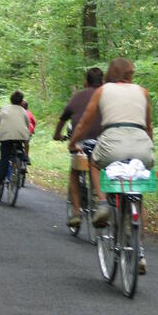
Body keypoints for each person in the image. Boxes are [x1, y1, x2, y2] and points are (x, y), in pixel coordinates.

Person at [68, 58, 154, 274]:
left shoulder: (103, 91)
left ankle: (104, 203)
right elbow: (149, 125)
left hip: (112, 142)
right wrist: (149, 147)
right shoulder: (142, 92)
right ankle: (140, 251)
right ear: (130, 74)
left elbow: (86, 121)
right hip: (141, 144)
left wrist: (73, 142)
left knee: (94, 163)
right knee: (139, 192)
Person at [53, 67, 104, 228]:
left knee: (74, 174)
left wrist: (57, 135)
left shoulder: (78, 97)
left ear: (86, 81)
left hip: (82, 144)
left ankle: (76, 212)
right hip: (106, 144)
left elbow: (63, 119)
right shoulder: (108, 95)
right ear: (102, 81)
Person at [0, 90, 31, 196]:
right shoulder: (23, 111)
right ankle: (22, 158)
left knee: (4, 159)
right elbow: (27, 124)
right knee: (19, 148)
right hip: (20, 138)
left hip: (6, 138)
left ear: (11, 99)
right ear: (21, 101)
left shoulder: (5, 109)